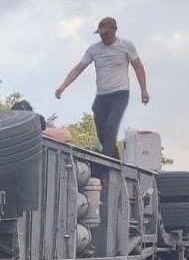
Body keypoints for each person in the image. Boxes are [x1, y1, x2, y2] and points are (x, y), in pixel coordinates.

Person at [55, 16, 149, 158]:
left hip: (120, 93)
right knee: (102, 131)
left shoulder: (126, 46)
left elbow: (138, 67)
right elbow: (78, 68)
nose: (103, 37)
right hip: (102, 95)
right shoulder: (94, 50)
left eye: (106, 33)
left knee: (111, 126)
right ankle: (114, 158)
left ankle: (106, 165)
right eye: (101, 34)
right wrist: (63, 86)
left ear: (114, 30)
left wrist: (143, 89)